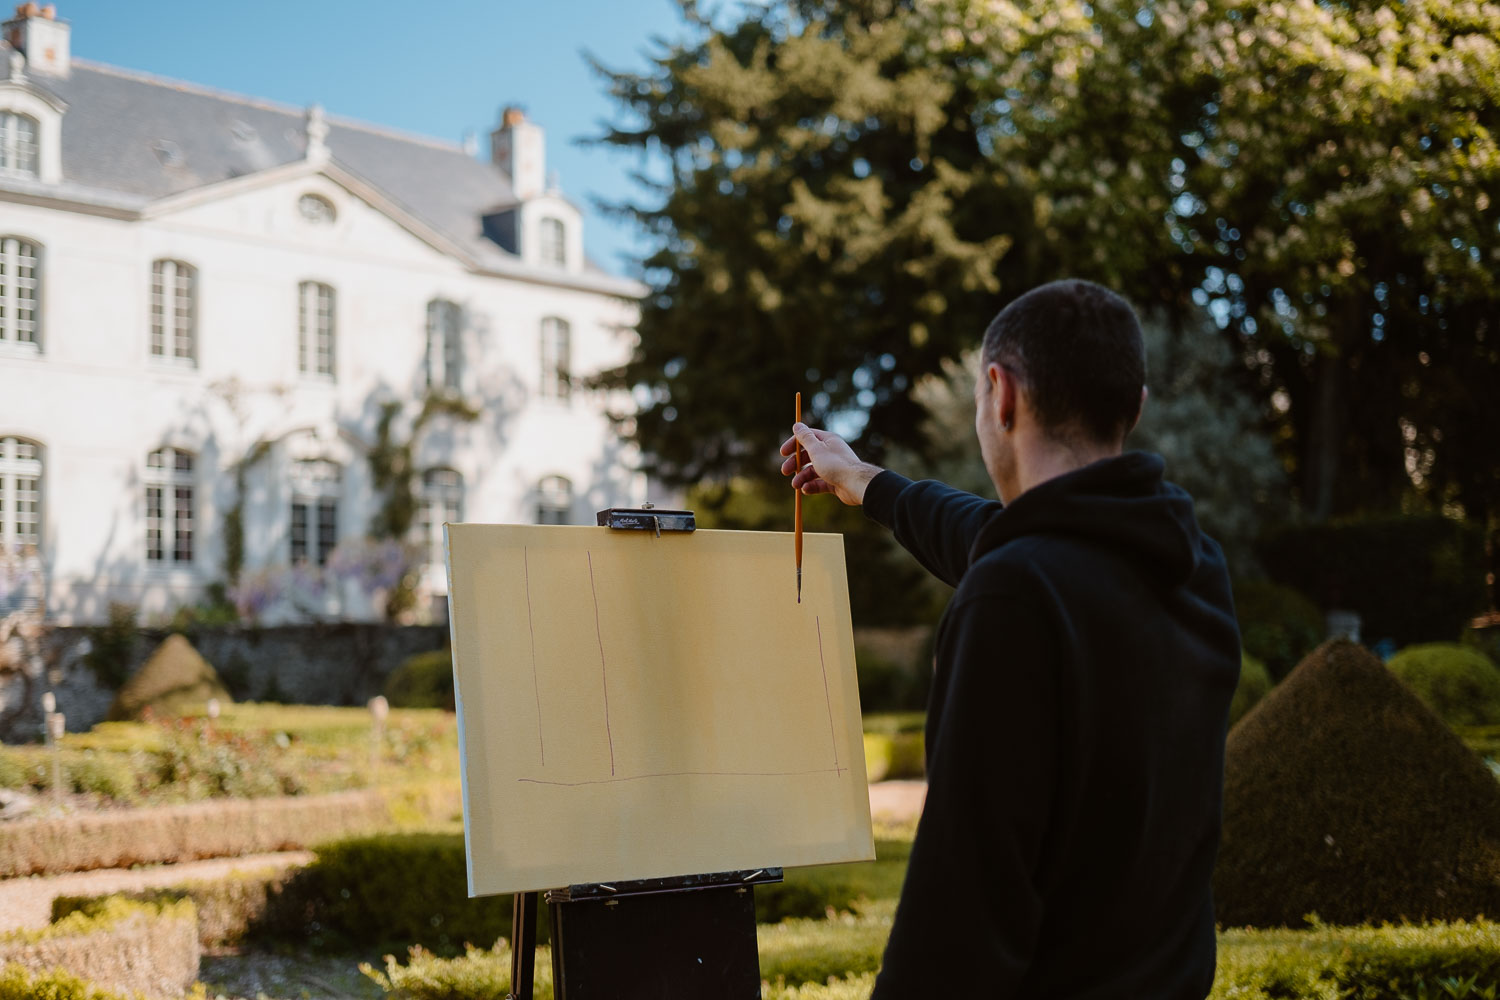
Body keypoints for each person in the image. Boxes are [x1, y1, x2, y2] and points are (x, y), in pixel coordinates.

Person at [780, 279, 1241, 998]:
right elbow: (998, 538)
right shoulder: (1192, 567)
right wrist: (864, 479)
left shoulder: (1016, 595)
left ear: (1001, 393)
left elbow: (959, 915)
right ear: (1135, 406)